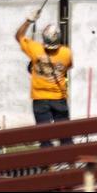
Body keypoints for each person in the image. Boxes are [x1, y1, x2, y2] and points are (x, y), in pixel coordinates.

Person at [15, 9, 74, 147]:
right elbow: (68, 67)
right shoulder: (66, 53)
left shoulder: (36, 49)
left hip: (40, 98)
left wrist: (29, 20)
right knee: (65, 137)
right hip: (59, 98)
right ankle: (71, 165)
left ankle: (48, 165)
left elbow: (19, 36)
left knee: (44, 137)